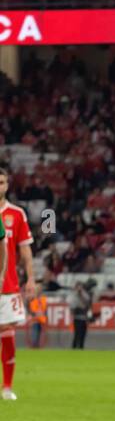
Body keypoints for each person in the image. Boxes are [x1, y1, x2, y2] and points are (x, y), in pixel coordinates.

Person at [0, 168, 37, 400]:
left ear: (7, 185)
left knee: (7, 333)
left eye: (1, 182)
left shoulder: (16, 214)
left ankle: (7, 387)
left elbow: (25, 248)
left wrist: (31, 278)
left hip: (7, 285)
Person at [71, 281, 93, 350]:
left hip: (84, 318)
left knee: (83, 334)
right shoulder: (73, 296)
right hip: (77, 317)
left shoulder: (85, 295)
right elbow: (72, 306)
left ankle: (81, 347)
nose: (80, 288)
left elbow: (87, 302)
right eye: (78, 287)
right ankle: (74, 348)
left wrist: (81, 295)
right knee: (77, 334)